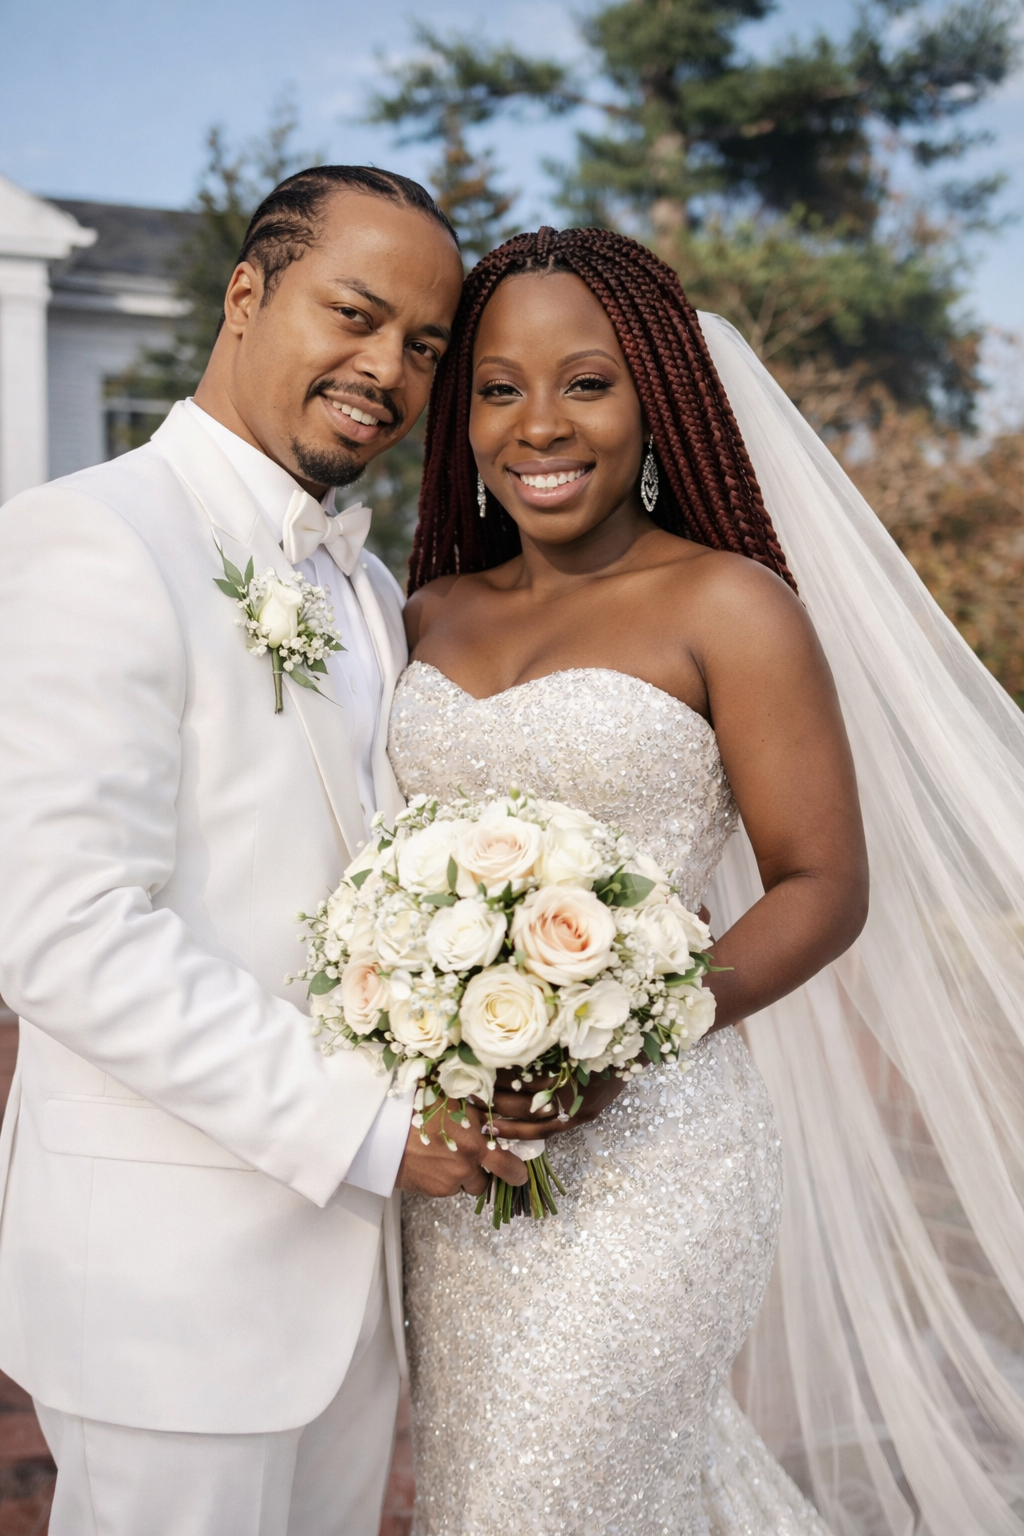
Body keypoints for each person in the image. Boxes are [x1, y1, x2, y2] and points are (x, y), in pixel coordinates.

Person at [390, 227, 1024, 1534]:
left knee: (548, 1496)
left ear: (659, 398)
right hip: (466, 1172)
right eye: (499, 388)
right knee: (494, 1491)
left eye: (589, 381)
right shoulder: (424, 616)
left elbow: (820, 882)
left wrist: (633, 1026)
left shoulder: (731, 606)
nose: (538, 425)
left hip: (658, 1158)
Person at [0, 165, 538, 1536]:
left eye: (425, 347)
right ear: (248, 294)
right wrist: (372, 1128)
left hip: (350, 1288)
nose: (387, 371)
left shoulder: (362, 588)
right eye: (354, 316)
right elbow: (60, 928)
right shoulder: (87, 540)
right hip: (171, 1285)